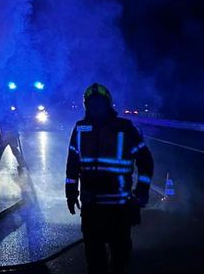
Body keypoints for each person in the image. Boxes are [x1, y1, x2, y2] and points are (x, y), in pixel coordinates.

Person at [65, 83, 154, 274]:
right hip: (91, 207)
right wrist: (70, 193)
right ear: (86, 106)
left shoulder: (125, 128)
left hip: (119, 208)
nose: (96, 108)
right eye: (92, 103)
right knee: (95, 261)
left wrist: (141, 191)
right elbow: (72, 165)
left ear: (108, 104)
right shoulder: (80, 129)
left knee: (120, 259)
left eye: (100, 103)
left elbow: (145, 160)